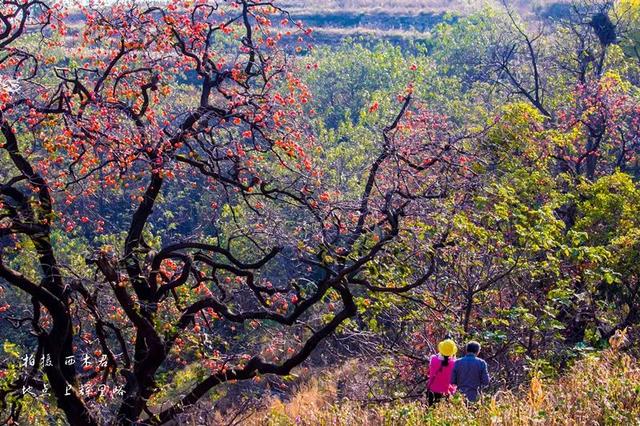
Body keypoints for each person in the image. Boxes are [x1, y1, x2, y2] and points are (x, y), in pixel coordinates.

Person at [426, 339, 457, 405]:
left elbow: (428, 373)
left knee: (431, 412)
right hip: (446, 392)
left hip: (432, 390)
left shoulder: (433, 358)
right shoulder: (454, 363)